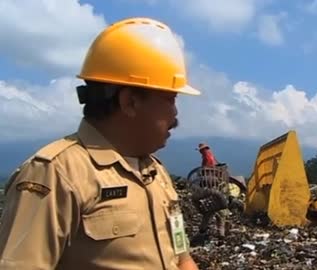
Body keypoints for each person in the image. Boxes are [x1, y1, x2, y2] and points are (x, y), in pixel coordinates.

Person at [0, 17, 200, 270]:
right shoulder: (56, 174)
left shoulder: (156, 173)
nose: (175, 115)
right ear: (130, 102)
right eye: (171, 99)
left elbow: (182, 258)